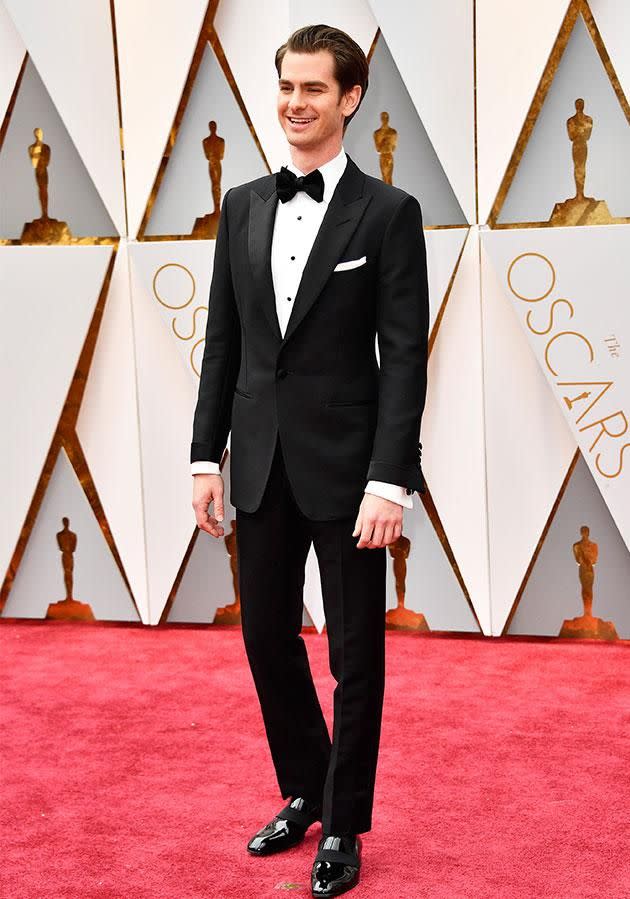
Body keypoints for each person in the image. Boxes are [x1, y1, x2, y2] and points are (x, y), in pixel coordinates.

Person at [191, 23, 429, 897]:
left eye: (314, 89)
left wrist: (389, 479)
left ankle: (345, 826)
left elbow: (404, 356)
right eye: (286, 86)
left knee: (355, 654)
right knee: (264, 639)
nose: (295, 103)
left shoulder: (390, 214)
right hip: (257, 462)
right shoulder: (244, 205)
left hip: (351, 471)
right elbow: (225, 341)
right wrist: (202, 456)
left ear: (351, 99)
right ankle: (308, 787)